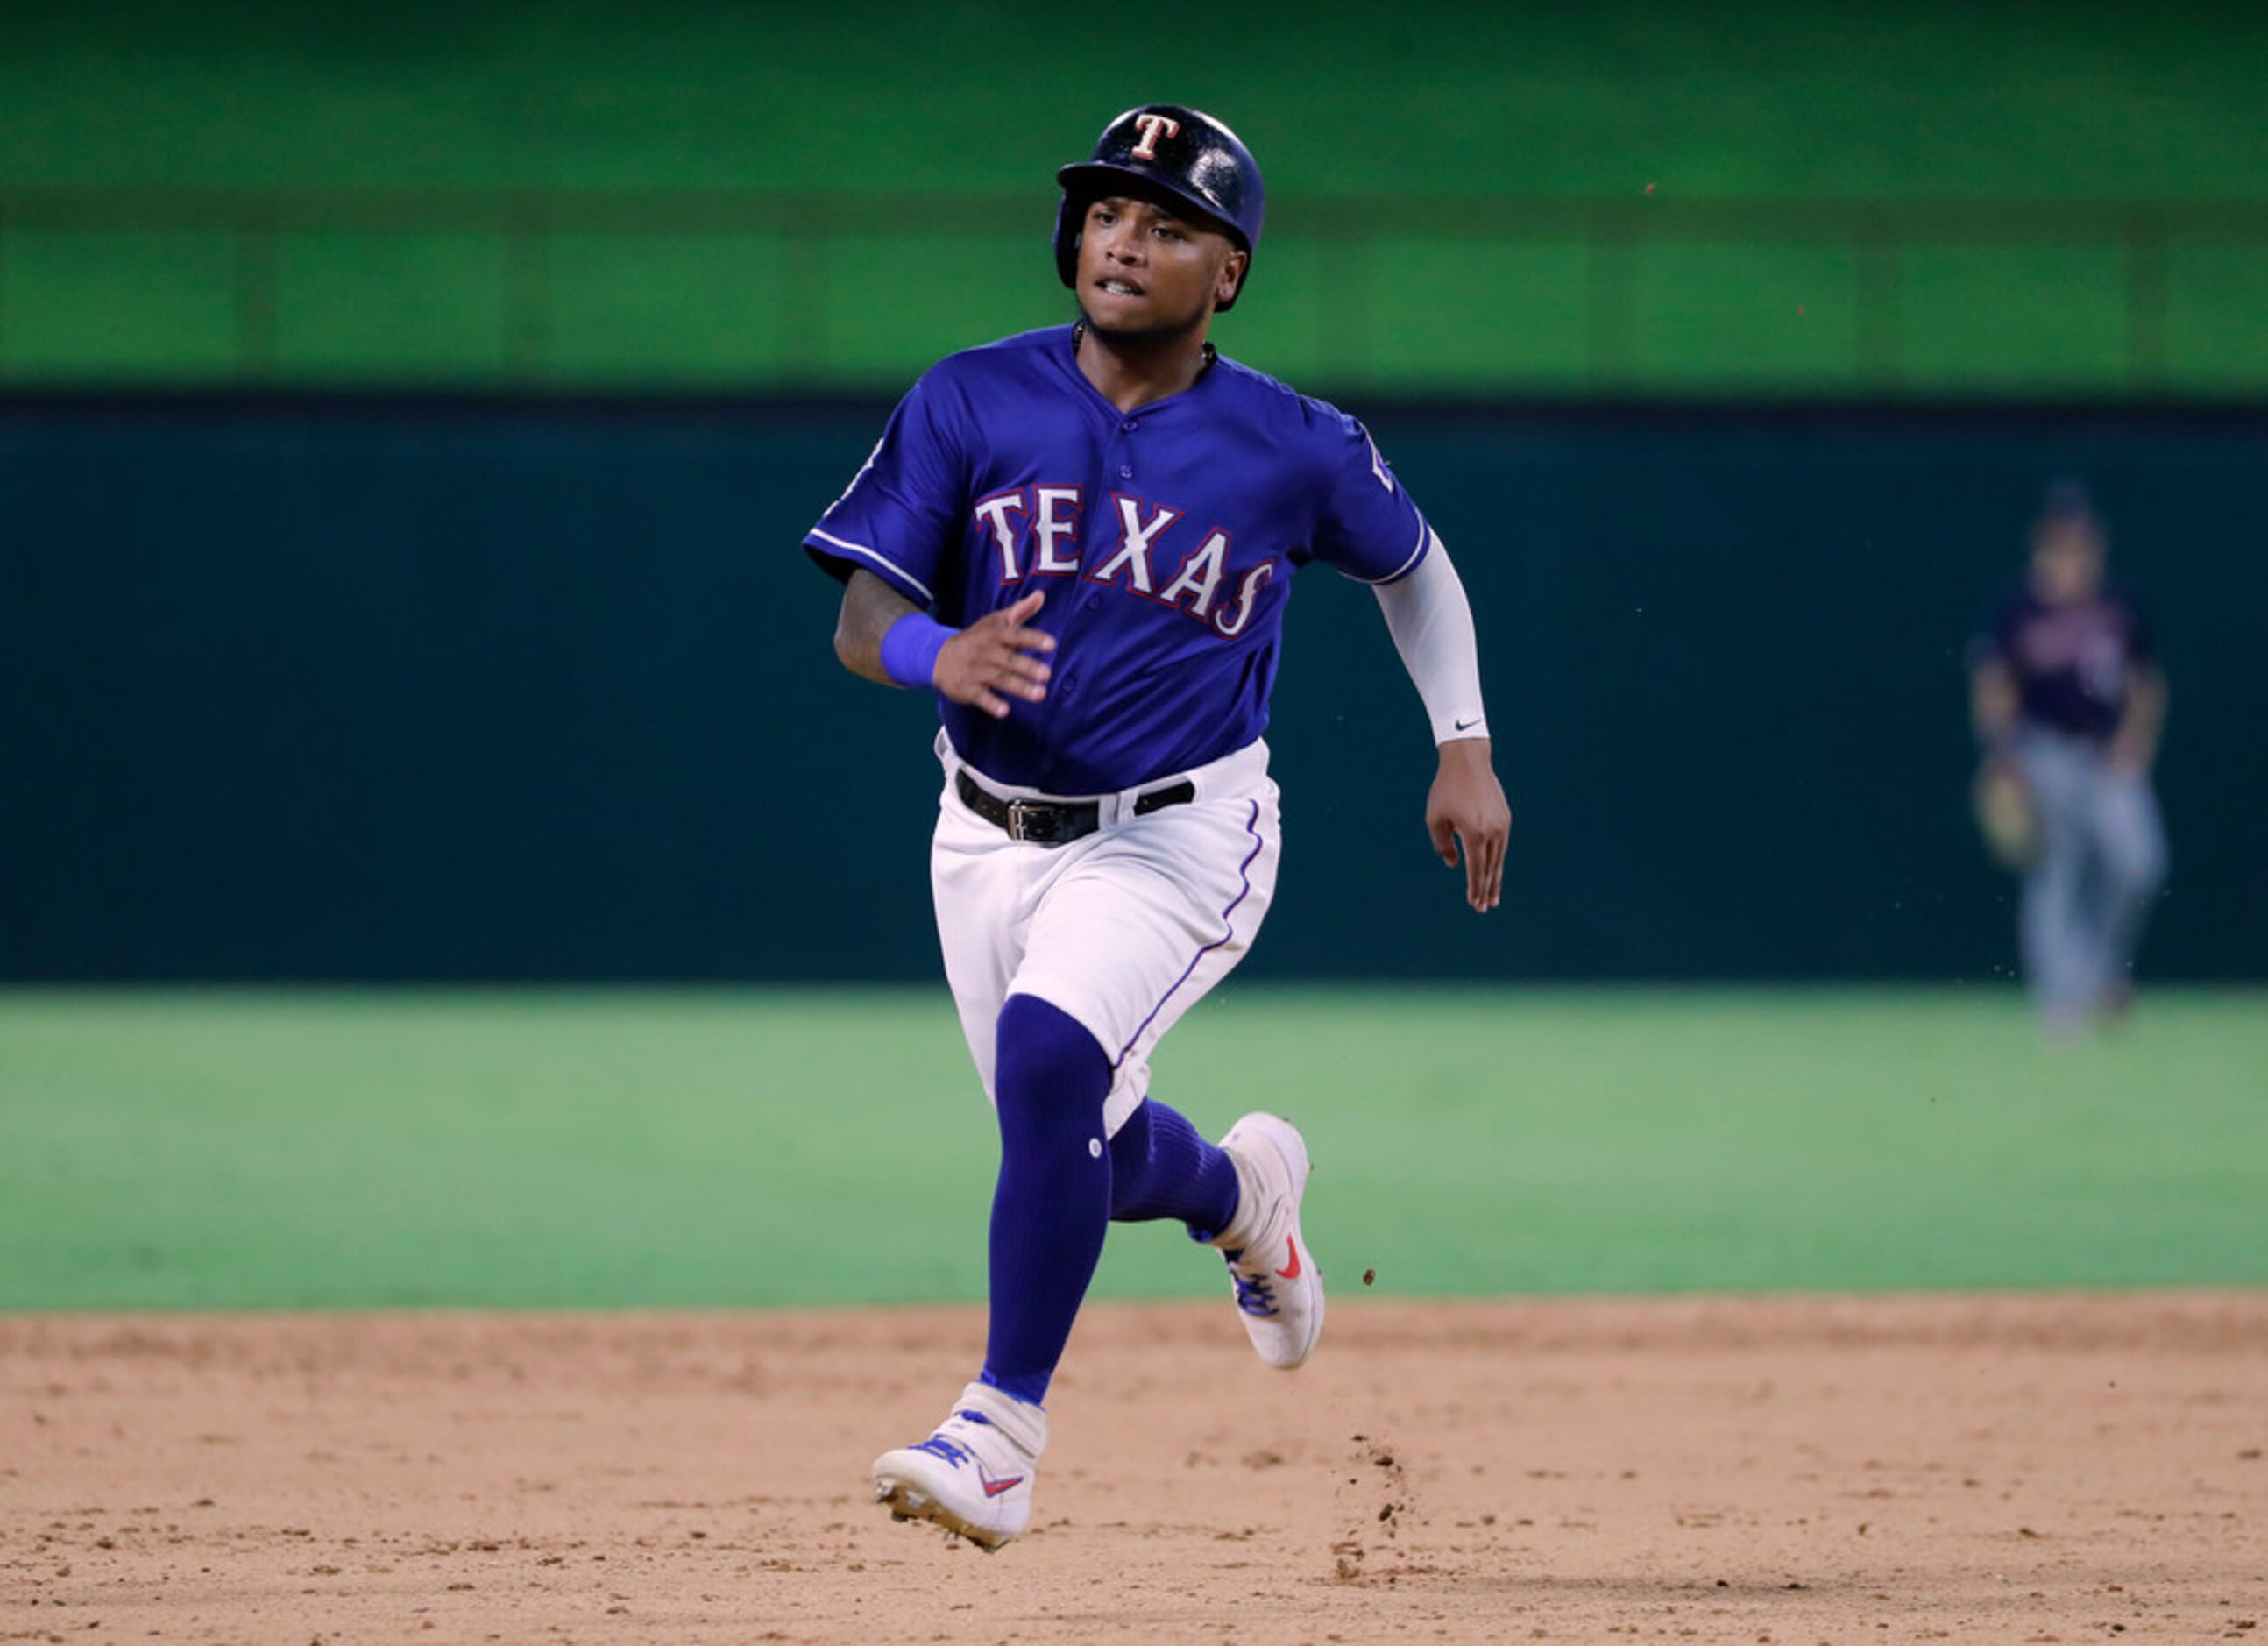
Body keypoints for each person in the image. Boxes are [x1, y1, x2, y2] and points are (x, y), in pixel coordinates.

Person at [804, 104, 1511, 1550]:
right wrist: (933, 653)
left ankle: (999, 1432)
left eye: (1167, 220)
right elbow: (860, 612)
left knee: (1054, 1067)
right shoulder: (969, 398)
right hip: (982, 832)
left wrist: (1463, 746)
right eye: (1108, 211)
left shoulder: (1292, 444)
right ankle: (1245, 1192)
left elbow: (1416, 568)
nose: (1124, 237)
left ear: (1228, 270)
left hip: (1179, 831)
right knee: (1075, 1139)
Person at [1967, 479, 2168, 1032]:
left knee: (2141, 866)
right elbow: (1992, 686)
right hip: (2044, 755)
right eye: (2061, 541)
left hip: (2106, 759)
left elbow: (2146, 684)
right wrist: (2002, 756)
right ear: (2042, 544)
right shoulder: (2015, 608)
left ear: (2096, 544)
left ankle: (2103, 974)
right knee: (2056, 875)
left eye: (2079, 541)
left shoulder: (2119, 604)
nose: (2071, 552)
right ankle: (2060, 1003)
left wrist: (2136, 740)